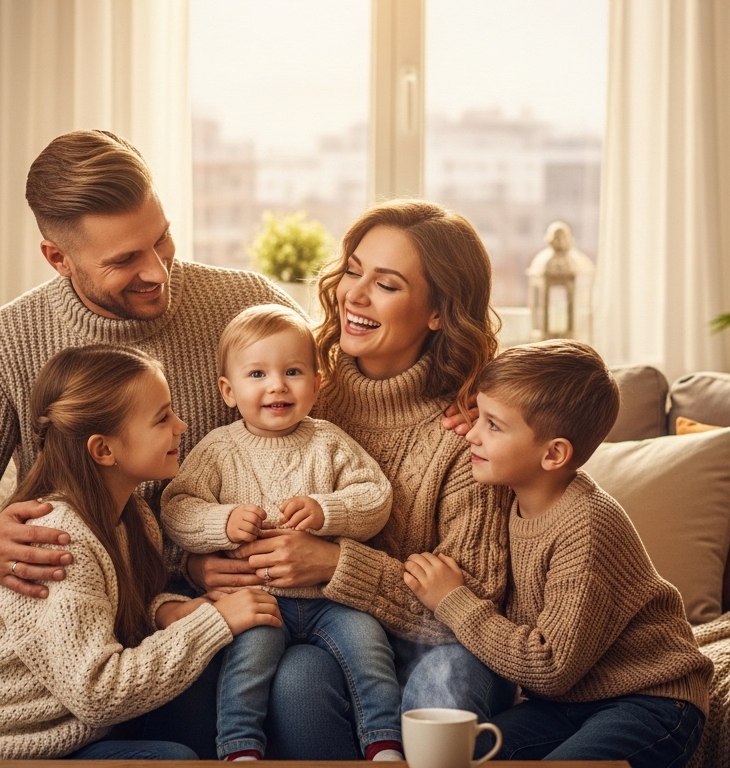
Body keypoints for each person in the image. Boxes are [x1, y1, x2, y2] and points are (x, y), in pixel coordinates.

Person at [0, 130, 299, 757]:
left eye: (162, 239)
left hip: (194, 571)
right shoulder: (5, 341)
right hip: (84, 573)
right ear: (58, 257)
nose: (157, 270)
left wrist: (447, 391)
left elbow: (336, 399)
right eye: (125, 259)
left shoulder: (245, 305)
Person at [187, 200, 517, 759]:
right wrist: (201, 565)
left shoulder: (467, 429)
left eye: (385, 285)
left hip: (434, 644)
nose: (354, 295)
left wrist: (334, 563)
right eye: (353, 270)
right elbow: (204, 496)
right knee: (297, 681)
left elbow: (475, 610)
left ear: (438, 312)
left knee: (447, 676)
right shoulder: (292, 388)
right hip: (319, 623)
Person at [0, 344, 281, 760]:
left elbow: (99, 614)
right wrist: (215, 622)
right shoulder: (58, 540)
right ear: (103, 450)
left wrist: (163, 612)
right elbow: (98, 691)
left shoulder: (132, 518)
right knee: (172, 760)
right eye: (162, 417)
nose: (181, 426)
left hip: (38, 746)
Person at [402, 340, 713, 767]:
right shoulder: (507, 497)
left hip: (650, 702)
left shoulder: (587, 525)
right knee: (460, 756)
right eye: (478, 417)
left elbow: (550, 666)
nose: (471, 434)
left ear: (553, 454)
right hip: (563, 706)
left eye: (492, 425)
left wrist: (453, 601)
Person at [160, 304, 402, 762]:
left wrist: (327, 510)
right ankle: (239, 746)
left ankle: (384, 741)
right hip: (257, 599)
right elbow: (177, 507)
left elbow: (375, 495)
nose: (277, 385)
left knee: (369, 644)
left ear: (316, 383)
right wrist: (222, 522)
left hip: (331, 600)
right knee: (247, 663)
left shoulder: (328, 440)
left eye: (293, 371)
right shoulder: (218, 448)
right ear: (228, 390)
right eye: (257, 374)